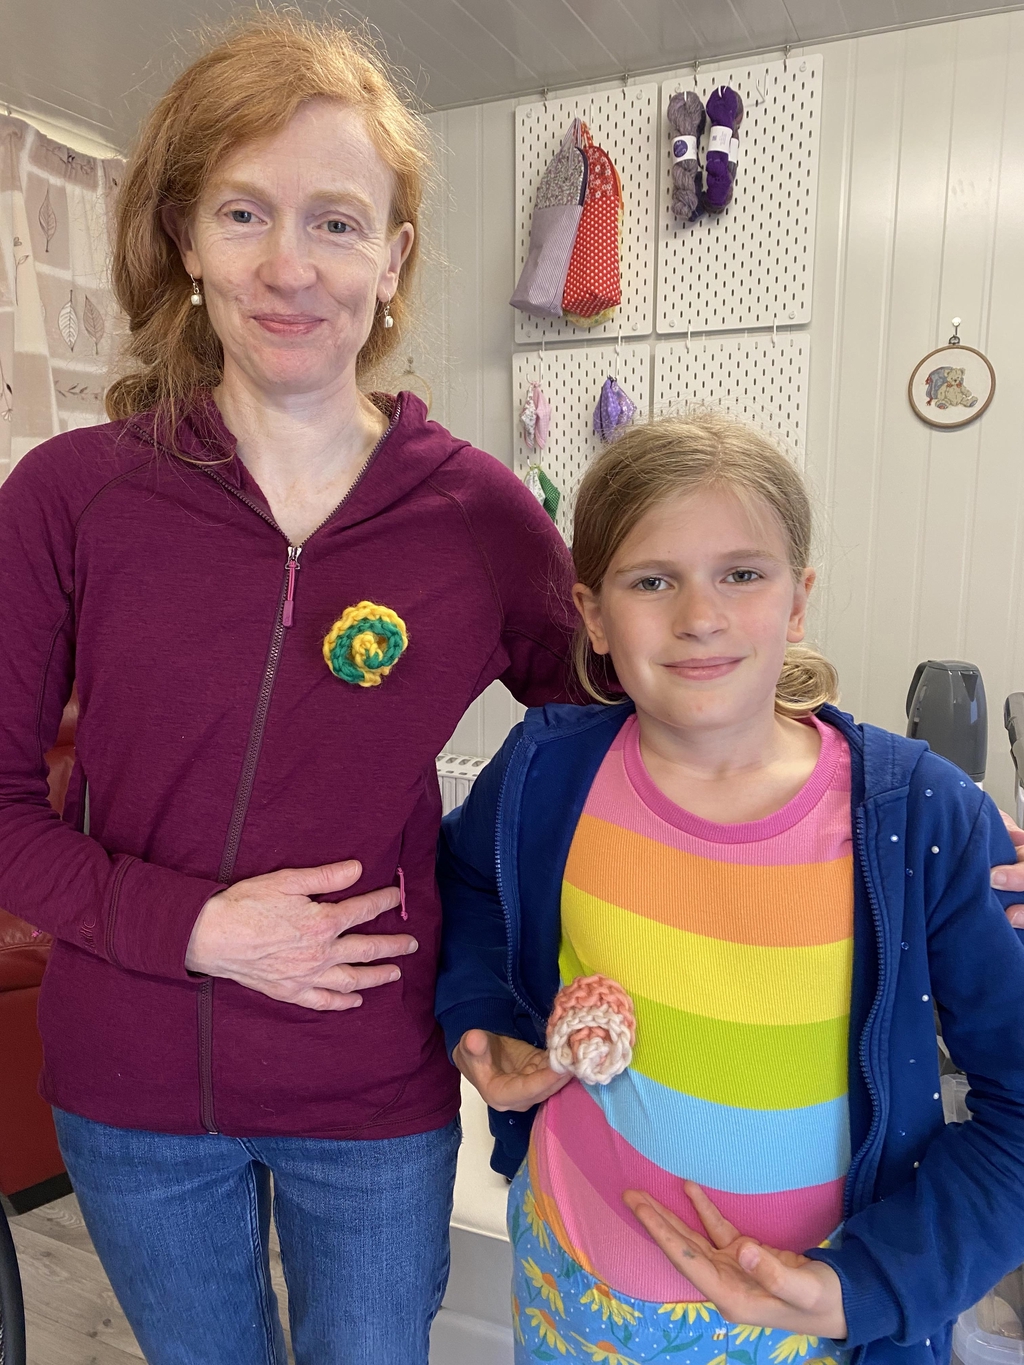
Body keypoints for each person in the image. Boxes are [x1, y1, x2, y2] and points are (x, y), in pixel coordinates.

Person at [0, 16, 579, 1365]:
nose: (287, 264)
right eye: (244, 211)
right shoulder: (69, 498)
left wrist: (885, 812)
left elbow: (616, 739)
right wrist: (196, 927)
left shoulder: (478, 517)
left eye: (335, 220)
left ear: (394, 259)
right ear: (185, 240)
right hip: (131, 1088)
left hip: (372, 1088)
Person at [435, 411, 1024, 1365]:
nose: (699, 616)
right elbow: (468, 878)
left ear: (797, 601)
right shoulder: (548, 768)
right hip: (566, 1281)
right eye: (653, 579)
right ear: (590, 612)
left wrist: (869, 1284)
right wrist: (478, 1010)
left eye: (742, 574)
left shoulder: (919, 817)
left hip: (806, 1329)